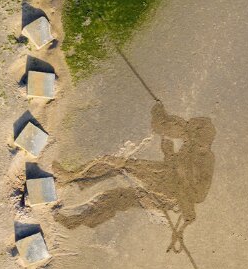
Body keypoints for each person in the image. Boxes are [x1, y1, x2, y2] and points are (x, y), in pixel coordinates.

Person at [58, 102, 215, 253]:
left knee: (117, 194)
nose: (186, 138)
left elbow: (197, 194)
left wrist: (171, 158)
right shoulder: (191, 144)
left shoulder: (204, 158)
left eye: (190, 135)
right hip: (163, 175)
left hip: (169, 193)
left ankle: (76, 216)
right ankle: (75, 178)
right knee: (115, 165)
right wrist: (159, 114)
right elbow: (165, 128)